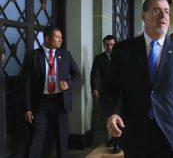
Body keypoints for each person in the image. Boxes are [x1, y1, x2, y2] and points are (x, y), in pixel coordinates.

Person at [101, 0, 173, 157]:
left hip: (169, 130)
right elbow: (109, 88)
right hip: (135, 129)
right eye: (156, 11)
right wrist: (111, 113)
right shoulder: (124, 50)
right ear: (143, 15)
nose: (163, 16)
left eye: (167, 12)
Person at [22, 26, 81, 158]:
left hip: (60, 102)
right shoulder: (32, 56)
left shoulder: (66, 55)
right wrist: (27, 108)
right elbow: (25, 84)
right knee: (35, 140)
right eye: (57, 37)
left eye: (61, 37)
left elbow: (77, 76)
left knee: (62, 140)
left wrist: (68, 84)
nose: (61, 40)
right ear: (47, 38)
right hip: (39, 104)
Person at [90, 35, 120, 153]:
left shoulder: (120, 57)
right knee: (109, 117)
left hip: (119, 93)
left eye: (112, 44)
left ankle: (117, 143)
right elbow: (95, 74)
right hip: (105, 93)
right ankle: (114, 138)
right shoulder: (99, 58)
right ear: (104, 45)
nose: (109, 47)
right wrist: (95, 89)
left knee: (117, 116)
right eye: (107, 45)